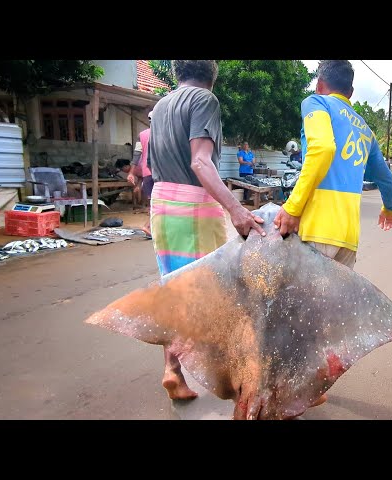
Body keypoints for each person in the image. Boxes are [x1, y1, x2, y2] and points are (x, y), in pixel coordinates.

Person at [273, 60, 392, 407]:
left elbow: (322, 148)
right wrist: (390, 207)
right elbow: (385, 177)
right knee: (324, 315)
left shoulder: (317, 104)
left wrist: (293, 207)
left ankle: (288, 394)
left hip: (317, 230)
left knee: (295, 314)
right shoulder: (364, 128)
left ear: (320, 83)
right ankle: (314, 389)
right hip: (347, 236)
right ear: (352, 93)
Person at [147, 60, 266, 401]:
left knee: (176, 291)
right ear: (212, 73)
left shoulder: (161, 106)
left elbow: (152, 164)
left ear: (176, 71)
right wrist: (237, 209)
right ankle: (240, 380)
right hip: (194, 206)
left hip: (162, 204)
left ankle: (172, 371)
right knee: (225, 292)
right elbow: (200, 162)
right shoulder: (204, 101)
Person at [128, 110, 154, 235]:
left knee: (152, 201)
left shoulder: (142, 135)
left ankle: (150, 226)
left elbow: (137, 154)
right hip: (161, 172)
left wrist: (131, 172)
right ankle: (148, 226)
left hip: (147, 173)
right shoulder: (165, 133)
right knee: (160, 201)